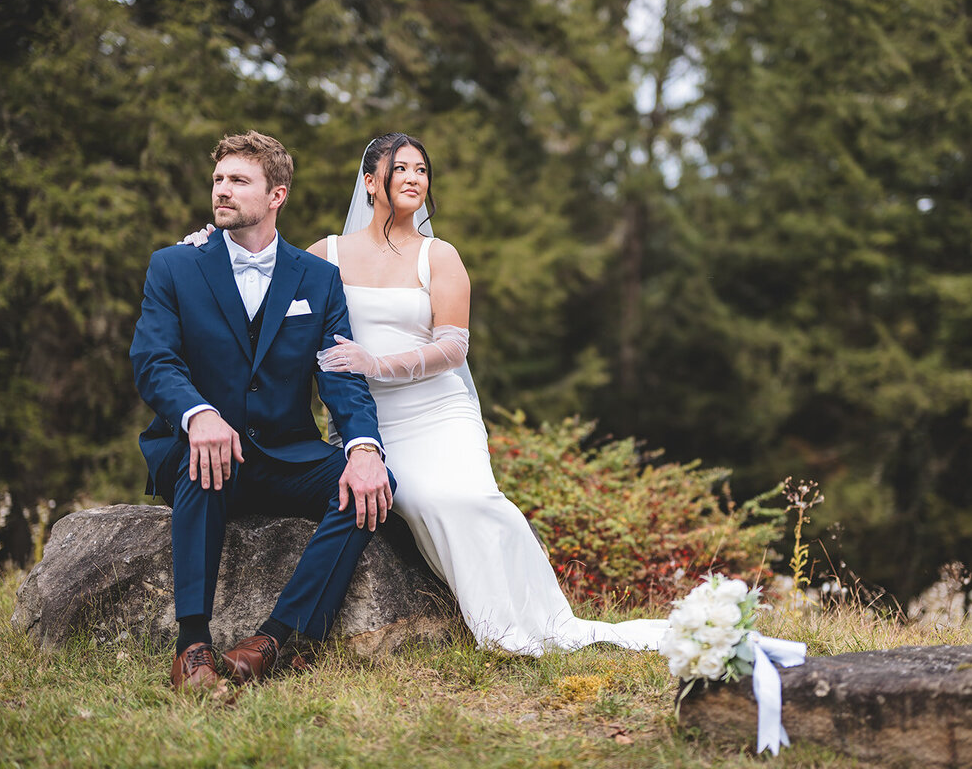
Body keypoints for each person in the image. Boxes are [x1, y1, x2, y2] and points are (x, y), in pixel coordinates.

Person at [188, 133, 665, 655]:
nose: (414, 178)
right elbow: (262, 281)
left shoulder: (439, 256)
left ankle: (531, 622)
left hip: (438, 412)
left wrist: (376, 363)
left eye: (421, 169)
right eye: (400, 169)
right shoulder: (325, 255)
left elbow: (454, 347)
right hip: (369, 424)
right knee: (414, 498)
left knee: (467, 497)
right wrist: (211, 245)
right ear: (370, 183)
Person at [131, 130, 395, 691]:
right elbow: (154, 360)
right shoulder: (174, 266)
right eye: (218, 180)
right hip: (203, 450)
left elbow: (340, 377)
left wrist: (364, 448)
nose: (222, 191)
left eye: (238, 181)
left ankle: (278, 638)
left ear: (276, 195)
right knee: (204, 464)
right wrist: (197, 414)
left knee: (372, 484)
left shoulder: (317, 278)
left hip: (284, 451)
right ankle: (192, 647)